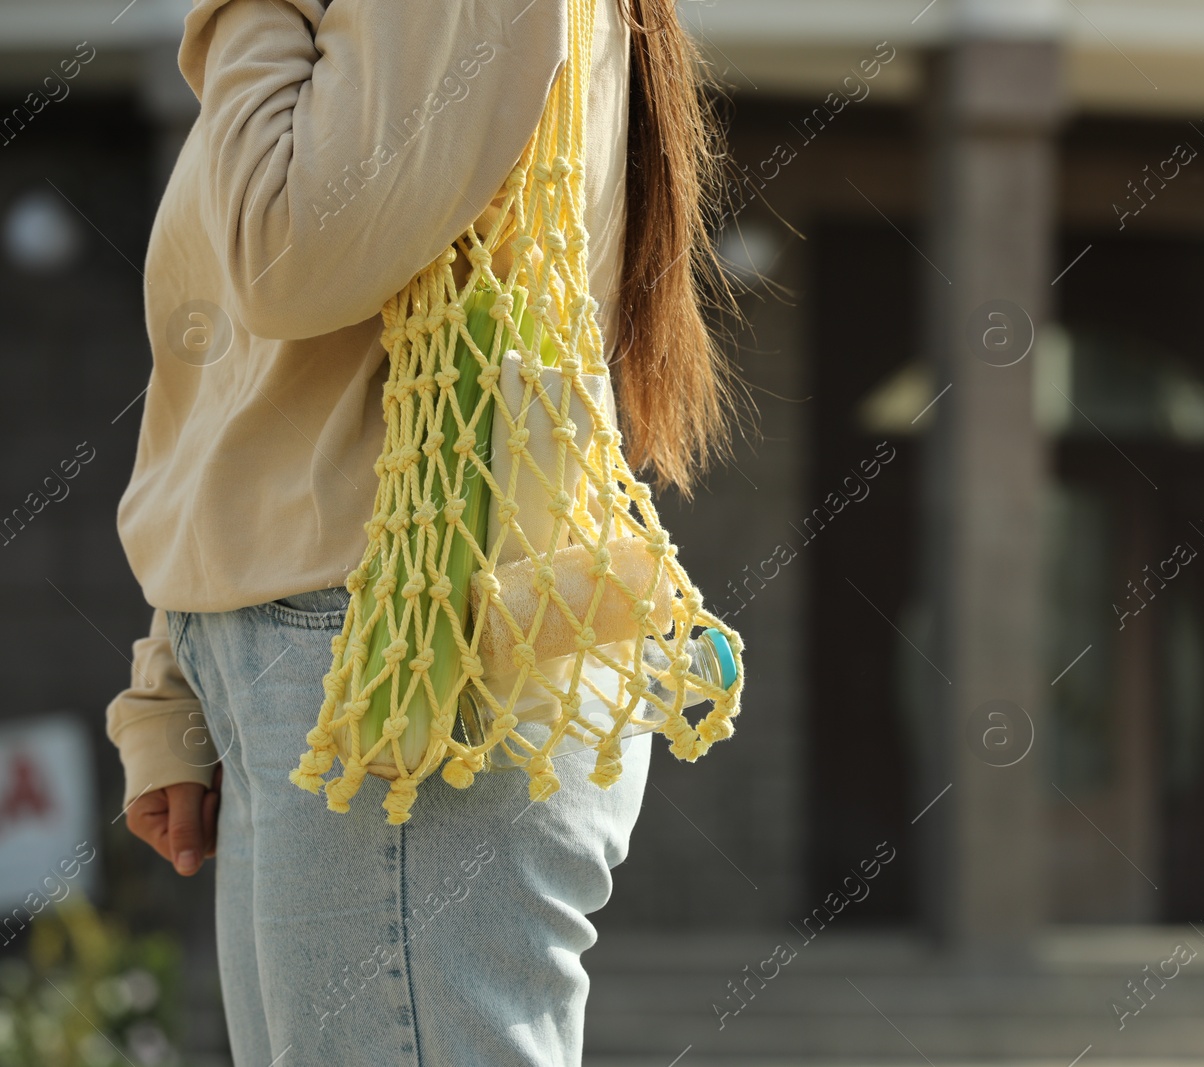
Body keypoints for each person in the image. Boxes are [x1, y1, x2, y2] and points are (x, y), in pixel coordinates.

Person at [103, 0, 732, 1061]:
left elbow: (288, 251)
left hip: (400, 657)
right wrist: (178, 673)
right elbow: (253, 381)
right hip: (344, 654)